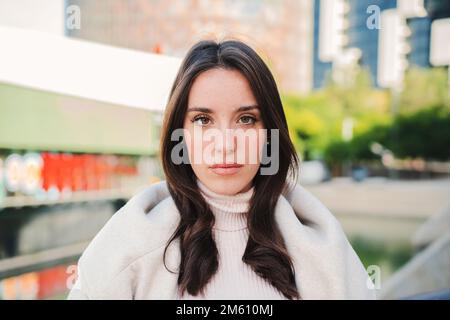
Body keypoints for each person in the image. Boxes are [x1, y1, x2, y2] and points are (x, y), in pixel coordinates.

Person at [67, 39, 376, 300]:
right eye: (203, 120)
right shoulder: (131, 241)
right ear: (181, 133)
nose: (226, 145)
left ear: (270, 132)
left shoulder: (322, 241)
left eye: (246, 119)